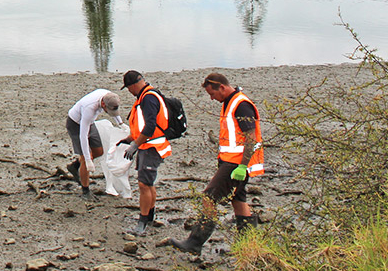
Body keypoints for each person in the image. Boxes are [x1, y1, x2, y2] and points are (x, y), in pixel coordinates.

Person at [171, 72, 265, 254]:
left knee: (209, 198)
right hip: (230, 162)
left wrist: (243, 166)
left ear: (221, 87)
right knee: (238, 199)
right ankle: (249, 245)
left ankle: (195, 242)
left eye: (212, 94)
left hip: (236, 164)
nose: (212, 99)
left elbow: (251, 138)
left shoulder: (241, 105)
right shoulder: (230, 103)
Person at [117, 70, 172, 235]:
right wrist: (130, 139)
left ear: (134, 84)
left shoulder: (148, 98)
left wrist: (135, 145)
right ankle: (149, 216)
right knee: (148, 183)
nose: (128, 91)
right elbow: (142, 125)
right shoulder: (145, 96)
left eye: (128, 87)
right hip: (147, 145)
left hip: (152, 147)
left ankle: (142, 222)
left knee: (143, 184)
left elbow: (150, 126)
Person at [66, 88, 123, 201]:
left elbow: (114, 111)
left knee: (99, 151)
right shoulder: (89, 108)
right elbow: (83, 135)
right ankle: (85, 190)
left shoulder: (110, 97)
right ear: (103, 104)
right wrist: (87, 159)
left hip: (90, 123)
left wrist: (120, 124)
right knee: (87, 157)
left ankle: (74, 166)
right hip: (76, 124)